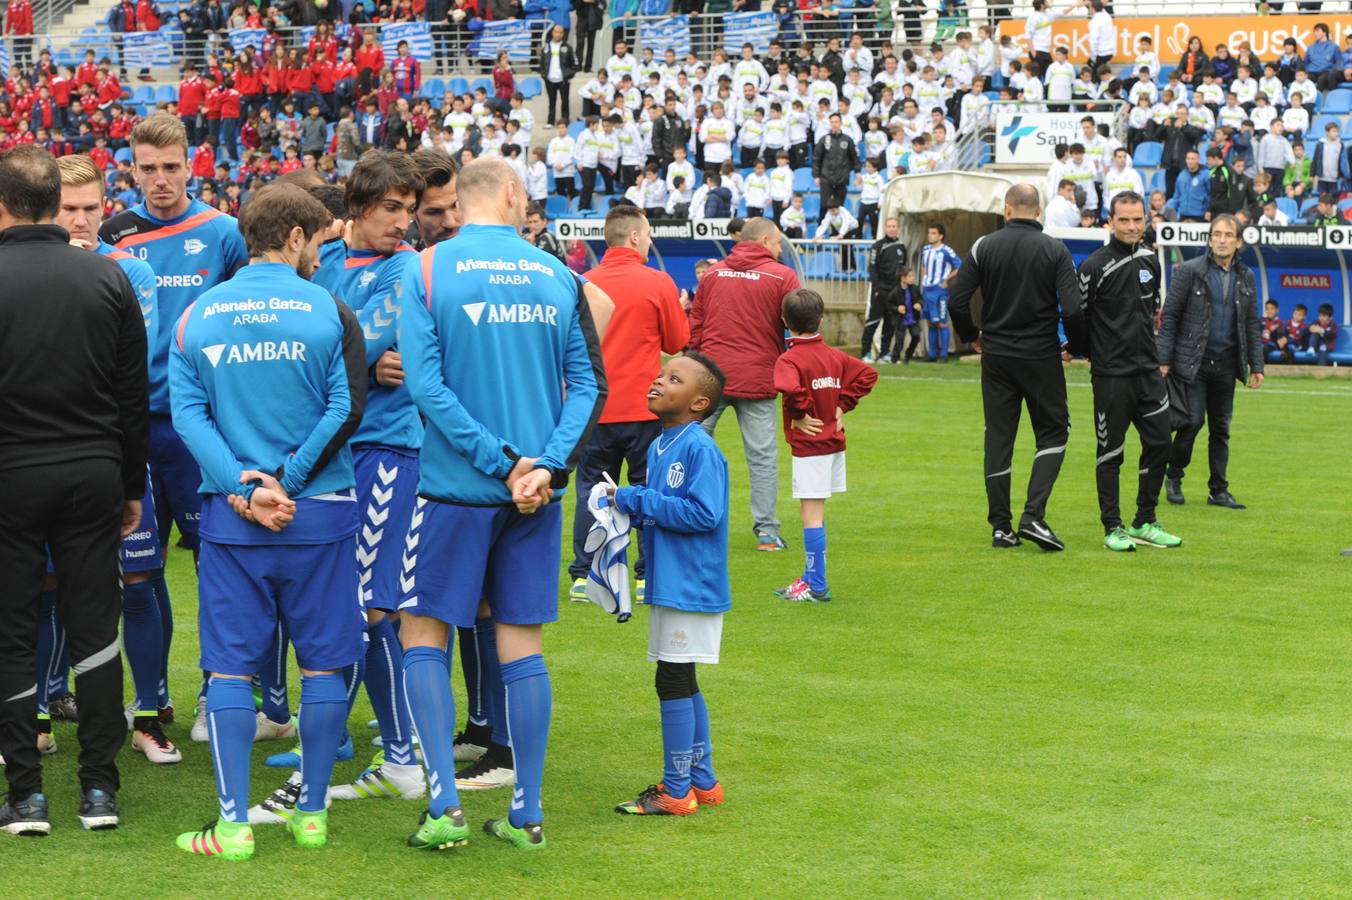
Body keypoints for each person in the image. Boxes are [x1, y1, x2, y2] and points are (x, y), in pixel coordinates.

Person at [395, 157, 609, 852]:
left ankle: (445, 806)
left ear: (462, 200)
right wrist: (543, 465)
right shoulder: (560, 275)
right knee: (522, 645)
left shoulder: (424, 269)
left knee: (421, 631)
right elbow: (589, 386)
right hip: (534, 498)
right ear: (513, 195)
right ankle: (527, 811)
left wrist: (501, 461)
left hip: (456, 489)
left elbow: (425, 387)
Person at [170, 183, 366, 859]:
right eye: (317, 239)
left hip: (234, 520)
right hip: (321, 513)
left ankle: (232, 825)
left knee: (229, 672)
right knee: (323, 666)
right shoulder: (330, 309)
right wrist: (293, 479)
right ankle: (310, 813)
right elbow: (345, 409)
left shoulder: (199, 313)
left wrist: (245, 488)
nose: (320, 251)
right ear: (293, 237)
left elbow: (187, 415)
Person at [0, 145, 148, 836]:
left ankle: (27, 795)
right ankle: (98, 789)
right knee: (95, 629)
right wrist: (130, 486)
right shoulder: (106, 278)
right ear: (53, 204)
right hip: (92, 473)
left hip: (13, 477)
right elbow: (131, 399)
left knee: (13, 628)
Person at [99, 114, 248, 742]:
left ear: (192, 165)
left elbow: (248, 316)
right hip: (134, 427)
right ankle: (152, 704)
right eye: (146, 168)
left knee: (221, 563)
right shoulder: (115, 235)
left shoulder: (224, 233)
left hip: (203, 428)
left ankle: (222, 691)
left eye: (171, 168)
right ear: (131, 169)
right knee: (140, 572)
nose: (159, 181)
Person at [287, 151, 426, 806]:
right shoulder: (332, 260)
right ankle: (378, 747)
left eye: (410, 209)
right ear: (356, 210)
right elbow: (325, 340)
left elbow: (347, 346)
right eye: (391, 208)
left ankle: (402, 752)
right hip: (332, 452)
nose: (404, 221)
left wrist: (360, 362)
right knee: (348, 603)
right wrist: (360, 363)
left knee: (370, 606)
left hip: (384, 450)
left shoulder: (404, 270)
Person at [53, 153, 180, 765]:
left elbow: (132, 363)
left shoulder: (134, 273)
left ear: (105, 209)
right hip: (50, 453)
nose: (80, 221)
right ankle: (40, 714)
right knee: (46, 585)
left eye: (90, 209)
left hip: (117, 448)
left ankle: (151, 715)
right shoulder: (27, 270)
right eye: (68, 210)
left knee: (138, 579)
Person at [607, 353, 729, 817]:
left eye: (673, 379)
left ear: (699, 403)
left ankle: (677, 791)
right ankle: (703, 780)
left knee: (672, 677)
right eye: (660, 374)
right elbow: (663, 508)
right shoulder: (662, 443)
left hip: (691, 584)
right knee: (681, 675)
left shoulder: (699, 447)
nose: (658, 381)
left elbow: (703, 513)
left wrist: (636, 497)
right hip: (669, 580)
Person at [948, 183, 1087, 550]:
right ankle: (1033, 516)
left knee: (998, 437)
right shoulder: (1055, 250)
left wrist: (971, 334)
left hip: (996, 356)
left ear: (1007, 209)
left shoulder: (984, 246)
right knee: (1054, 432)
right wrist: (1076, 344)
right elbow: (1073, 308)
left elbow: (957, 299)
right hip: (1041, 355)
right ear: (1038, 211)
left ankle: (1001, 527)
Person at [567, 206, 689, 603]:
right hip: (643, 407)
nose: (650, 239)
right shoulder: (657, 282)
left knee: (592, 489)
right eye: (649, 232)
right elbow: (676, 341)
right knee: (648, 490)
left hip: (595, 406)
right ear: (635, 237)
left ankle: (585, 575)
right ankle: (644, 575)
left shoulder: (583, 281)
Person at [688, 218, 802, 552]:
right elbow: (796, 325)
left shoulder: (713, 273)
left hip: (711, 377)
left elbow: (696, 323)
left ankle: (685, 521)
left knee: (691, 450)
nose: (780, 249)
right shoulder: (782, 276)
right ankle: (767, 533)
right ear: (765, 240)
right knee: (762, 458)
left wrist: (698, 365)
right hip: (757, 377)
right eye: (779, 243)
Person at [1076, 191, 1181, 553]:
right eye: (1124, 220)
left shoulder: (1152, 261)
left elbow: (1153, 312)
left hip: (1148, 373)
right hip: (1111, 376)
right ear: (1110, 221)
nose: (1132, 226)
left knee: (1160, 444)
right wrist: (1090, 353)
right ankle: (1112, 527)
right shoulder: (1093, 266)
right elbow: (1078, 318)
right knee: (1111, 453)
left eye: (1138, 219)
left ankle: (1145, 520)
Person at [771, 289, 876, 603]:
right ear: (820, 319)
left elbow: (786, 385)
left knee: (810, 514)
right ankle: (808, 577)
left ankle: (817, 585)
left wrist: (801, 412)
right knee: (813, 511)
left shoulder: (790, 358)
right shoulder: (833, 355)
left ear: (785, 321)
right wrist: (842, 405)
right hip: (832, 444)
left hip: (811, 446)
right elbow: (868, 374)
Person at [1158, 214, 1263, 510]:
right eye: (1217, 234)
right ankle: (1174, 475)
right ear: (1209, 239)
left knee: (1221, 429)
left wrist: (1257, 365)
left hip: (1227, 364)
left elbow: (1252, 324)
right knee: (1191, 422)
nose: (1222, 239)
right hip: (1193, 362)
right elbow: (1170, 317)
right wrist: (1163, 359)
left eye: (1228, 235)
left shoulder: (1247, 276)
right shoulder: (1189, 271)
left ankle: (1218, 490)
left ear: (1239, 242)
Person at [862, 217, 907, 363]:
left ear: (898, 228)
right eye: (889, 226)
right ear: (885, 228)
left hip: (895, 293)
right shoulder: (878, 246)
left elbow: (903, 271)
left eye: (894, 226)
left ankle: (884, 354)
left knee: (890, 324)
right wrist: (876, 288)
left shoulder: (901, 247)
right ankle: (865, 353)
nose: (891, 228)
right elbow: (872, 268)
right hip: (880, 291)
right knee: (873, 322)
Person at [920, 223, 960, 363]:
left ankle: (944, 355)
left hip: (940, 290)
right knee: (931, 322)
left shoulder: (947, 251)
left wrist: (946, 279)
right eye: (929, 233)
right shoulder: (925, 249)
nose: (930, 235)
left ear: (940, 236)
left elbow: (959, 267)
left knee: (942, 322)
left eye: (933, 233)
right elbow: (923, 266)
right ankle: (932, 354)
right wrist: (925, 277)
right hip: (927, 289)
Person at [812, 114, 858, 210]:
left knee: (839, 208)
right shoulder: (824, 139)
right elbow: (816, 158)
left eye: (836, 122)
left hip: (842, 179)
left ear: (841, 123)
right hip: (826, 178)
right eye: (832, 122)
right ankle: (822, 225)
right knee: (824, 206)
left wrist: (857, 172)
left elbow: (854, 157)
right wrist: (816, 176)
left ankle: (838, 225)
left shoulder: (847, 140)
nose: (834, 124)